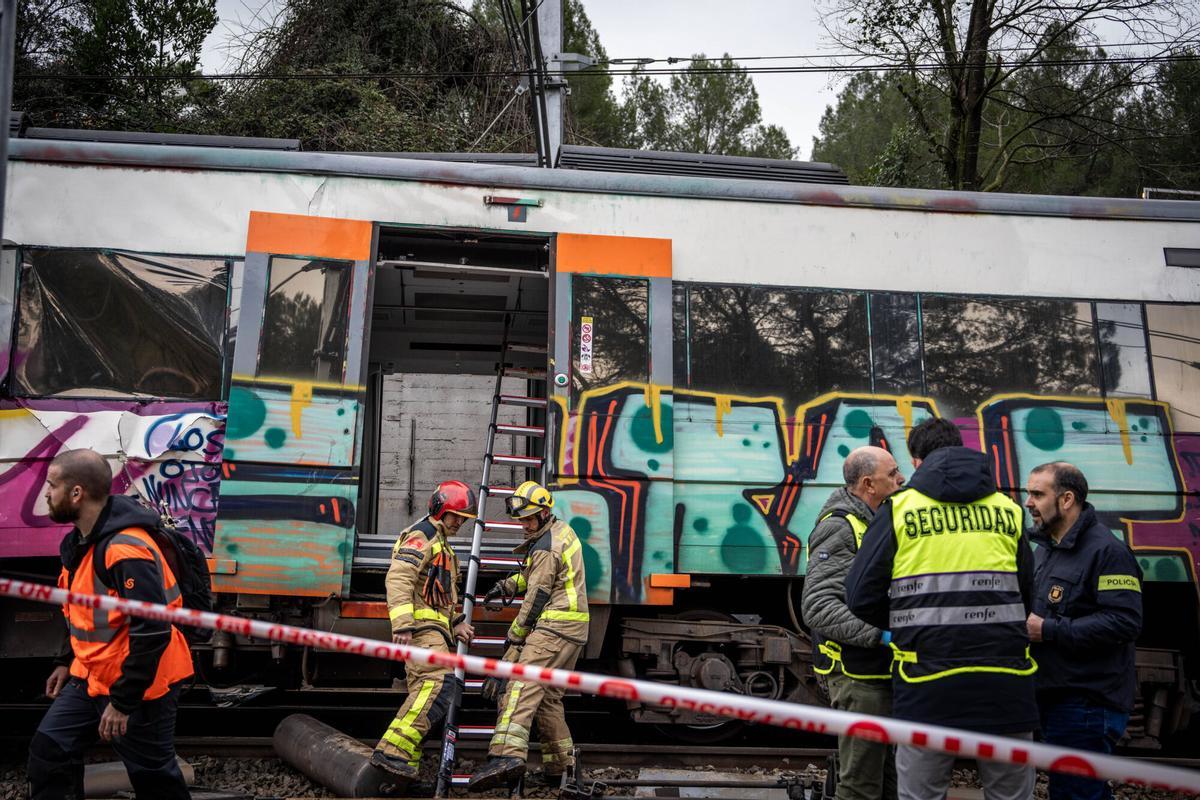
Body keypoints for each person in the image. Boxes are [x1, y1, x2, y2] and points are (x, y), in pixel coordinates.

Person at [846, 418, 1038, 800]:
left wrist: (912, 621)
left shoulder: (900, 509)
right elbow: (1026, 595)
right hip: (1005, 681)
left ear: (917, 462)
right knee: (1011, 795)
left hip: (927, 682)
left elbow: (860, 596)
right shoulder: (1009, 510)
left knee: (921, 795)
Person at [29, 449, 194, 800]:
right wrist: (65, 661)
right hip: (91, 677)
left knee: (154, 778)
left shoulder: (125, 550)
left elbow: (152, 630)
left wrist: (123, 702)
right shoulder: (79, 542)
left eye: (51, 485)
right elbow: (78, 608)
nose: (45, 493)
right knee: (50, 752)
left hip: (140, 685)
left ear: (76, 493)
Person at [1025, 463, 1143, 800]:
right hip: (1060, 695)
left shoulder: (1108, 552)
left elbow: (1124, 621)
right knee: (1080, 791)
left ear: (1066, 499)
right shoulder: (1047, 547)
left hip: (1087, 702)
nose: (1028, 502)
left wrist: (1048, 630)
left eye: (1037, 494)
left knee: (1075, 793)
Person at [469, 481, 589, 791]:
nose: (523, 525)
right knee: (548, 698)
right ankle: (560, 767)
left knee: (521, 688)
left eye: (528, 519)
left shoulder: (546, 547)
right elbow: (537, 574)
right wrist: (508, 586)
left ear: (544, 513)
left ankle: (506, 756)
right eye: (521, 519)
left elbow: (538, 594)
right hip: (573, 630)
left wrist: (515, 637)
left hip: (554, 628)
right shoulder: (558, 531)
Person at [801, 446, 904, 800]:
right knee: (861, 785)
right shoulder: (840, 527)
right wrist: (881, 636)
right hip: (857, 676)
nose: (900, 479)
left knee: (889, 783)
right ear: (867, 484)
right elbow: (817, 606)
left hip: (877, 673)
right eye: (892, 474)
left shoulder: (874, 520)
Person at [369, 480, 477, 783]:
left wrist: (456, 623)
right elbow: (399, 579)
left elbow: (441, 594)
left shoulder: (441, 542)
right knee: (439, 683)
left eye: (463, 519)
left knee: (424, 694)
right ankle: (392, 751)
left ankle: (404, 766)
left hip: (435, 631)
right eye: (455, 516)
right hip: (421, 631)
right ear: (440, 509)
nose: (459, 523)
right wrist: (402, 624)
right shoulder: (423, 536)